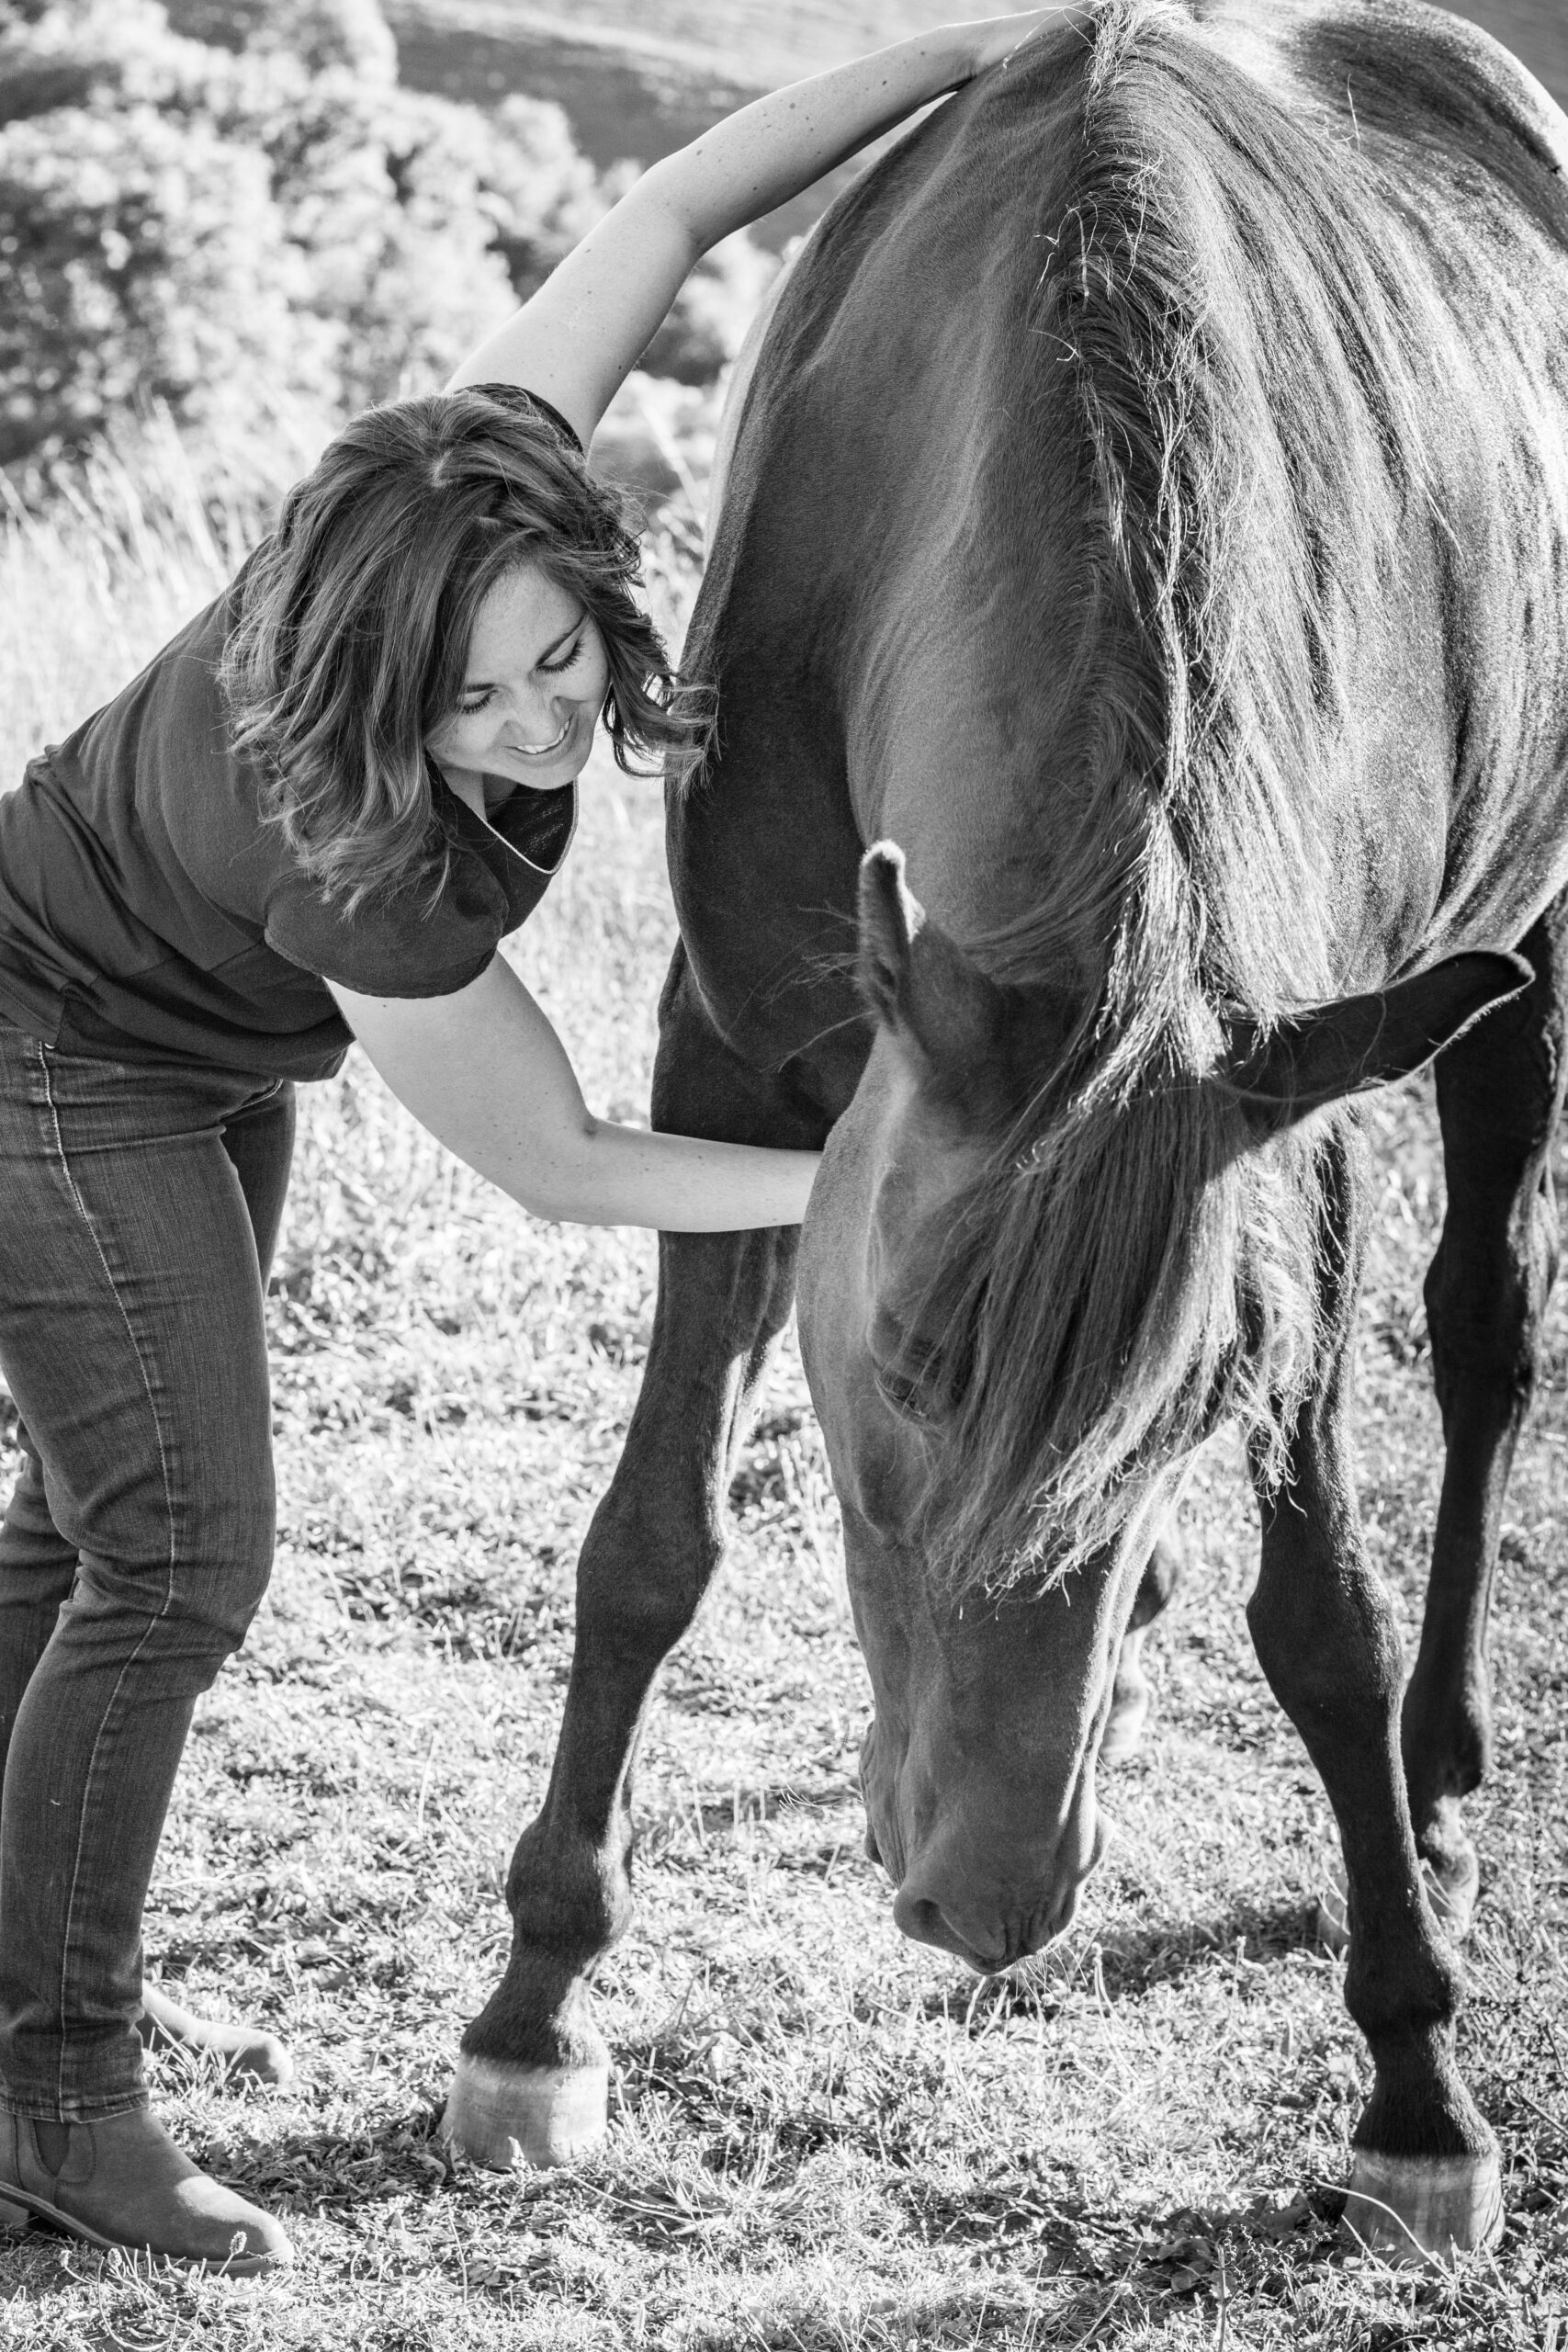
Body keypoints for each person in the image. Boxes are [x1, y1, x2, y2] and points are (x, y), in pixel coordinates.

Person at [0, 11, 1055, 2274]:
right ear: (387, 694)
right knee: (176, 1559)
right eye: (481, 704)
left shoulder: (445, 489)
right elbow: (565, 1160)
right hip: (55, 1057)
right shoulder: (360, 853)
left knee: (67, 1540)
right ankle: (53, 2088)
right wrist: (897, 1155)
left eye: (560, 660)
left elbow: (667, 208)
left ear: (554, 542)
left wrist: (977, 43)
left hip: (170, 1033)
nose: (542, 719)